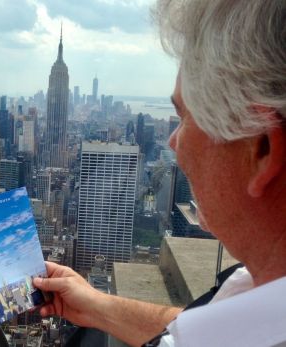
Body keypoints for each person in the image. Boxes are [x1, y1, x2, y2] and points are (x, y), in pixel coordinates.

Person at [33, 0, 286, 346]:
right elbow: (207, 329)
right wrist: (96, 306)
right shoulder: (257, 286)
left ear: (262, 149)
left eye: (183, 117)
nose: (173, 141)